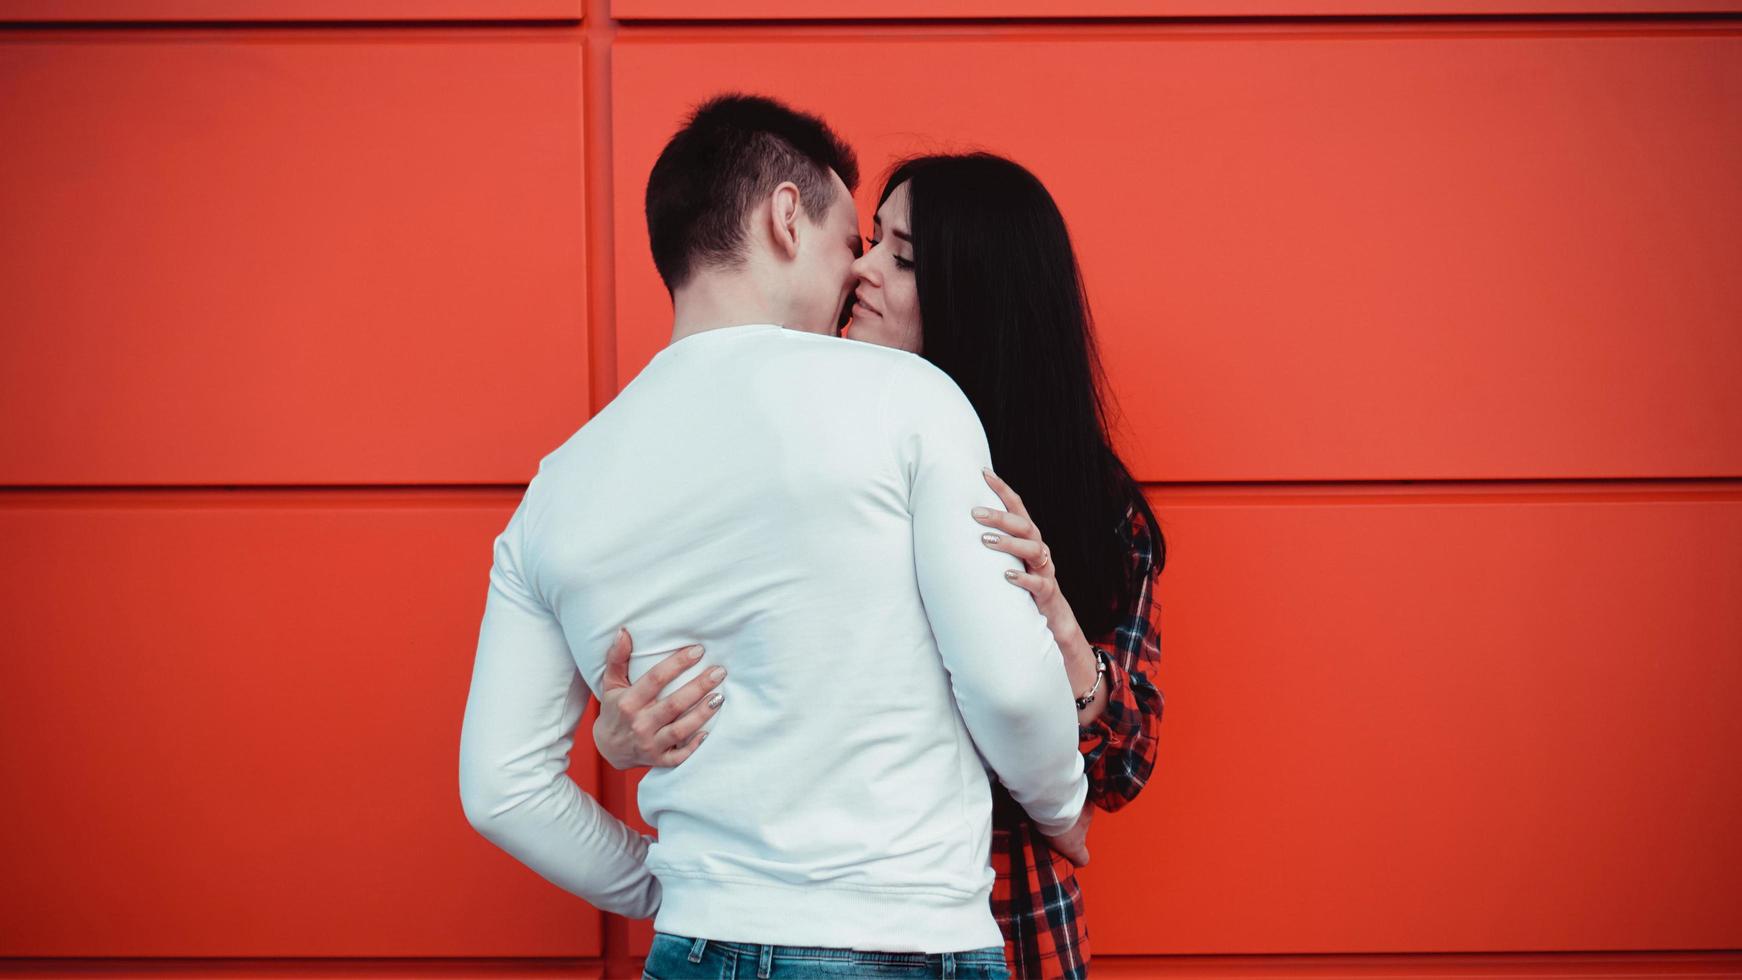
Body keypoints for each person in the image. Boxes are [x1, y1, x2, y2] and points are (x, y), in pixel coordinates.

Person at [457, 94, 1090, 980]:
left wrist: (671, 886)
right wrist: (1065, 807)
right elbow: (1012, 688)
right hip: (903, 943)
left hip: (695, 946)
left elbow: (500, 790)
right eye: (849, 246)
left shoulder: (559, 484)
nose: (855, 280)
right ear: (786, 218)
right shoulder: (906, 399)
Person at [599, 152, 1167, 980]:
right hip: (810, 931)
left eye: (901, 258)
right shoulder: (802, 454)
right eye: (869, 243)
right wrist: (624, 730)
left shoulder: (1091, 503)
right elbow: (739, 669)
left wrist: (1060, 632)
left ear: (976, 296)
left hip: (1012, 931)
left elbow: (1122, 765)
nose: (858, 267)